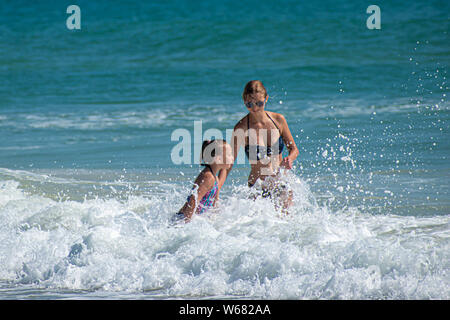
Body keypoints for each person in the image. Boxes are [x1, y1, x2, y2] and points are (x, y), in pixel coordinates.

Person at [219, 80, 299, 211]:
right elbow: (228, 163)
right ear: (244, 102)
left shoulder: (278, 120)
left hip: (281, 185)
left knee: (286, 226)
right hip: (258, 189)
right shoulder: (242, 128)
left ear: (266, 99)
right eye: (249, 104)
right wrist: (216, 189)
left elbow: (294, 149)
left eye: (259, 103)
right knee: (258, 229)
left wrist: (290, 158)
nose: (255, 108)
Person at [176, 139, 233, 222]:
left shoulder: (215, 178)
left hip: (196, 219)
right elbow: (193, 201)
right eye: (229, 154)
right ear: (218, 158)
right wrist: (185, 224)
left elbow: (215, 203)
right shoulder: (208, 177)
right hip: (182, 219)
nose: (232, 157)